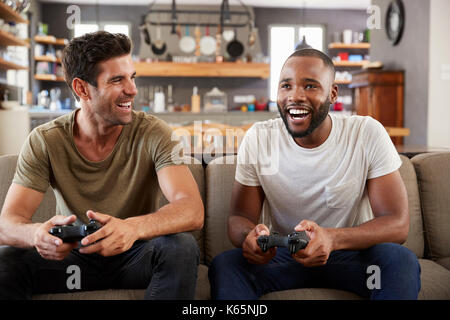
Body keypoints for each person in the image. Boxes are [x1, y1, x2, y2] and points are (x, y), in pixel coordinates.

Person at [0, 31, 204, 300]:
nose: (132, 89)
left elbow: (192, 210)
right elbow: (7, 225)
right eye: (117, 80)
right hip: (74, 259)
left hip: (136, 254)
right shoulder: (45, 141)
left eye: (132, 77)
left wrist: (132, 228)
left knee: (182, 247)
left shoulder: (155, 132)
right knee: (7, 259)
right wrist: (37, 234)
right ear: (82, 89)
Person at [208, 48, 421, 300]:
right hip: (283, 255)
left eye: (310, 86)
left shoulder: (366, 133)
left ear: (332, 93)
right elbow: (239, 217)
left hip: (350, 255)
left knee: (399, 261)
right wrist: (249, 237)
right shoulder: (259, 138)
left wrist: (332, 238)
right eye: (286, 86)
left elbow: (397, 223)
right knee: (227, 265)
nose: (295, 96)